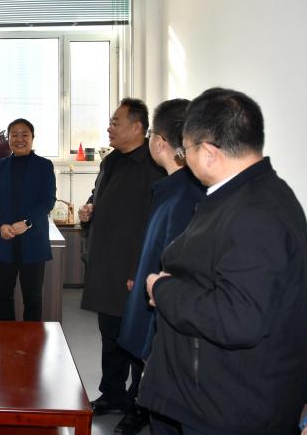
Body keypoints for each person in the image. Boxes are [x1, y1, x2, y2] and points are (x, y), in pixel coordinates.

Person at [139, 88, 307, 435]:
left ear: (208, 153)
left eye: (185, 150)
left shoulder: (257, 213)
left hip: (226, 409)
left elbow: (237, 319)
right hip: (202, 393)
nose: (184, 159)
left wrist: (162, 289)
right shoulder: (241, 194)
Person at [115, 99, 205, 435]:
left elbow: (176, 268)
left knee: (165, 414)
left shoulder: (185, 197)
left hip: (164, 323)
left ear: (160, 142)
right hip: (151, 298)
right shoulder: (171, 189)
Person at [78, 98, 165, 432]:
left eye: (116, 122)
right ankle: (112, 393)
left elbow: (156, 225)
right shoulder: (111, 161)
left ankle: (140, 405)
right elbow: (97, 195)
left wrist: (140, 271)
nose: (109, 127)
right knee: (111, 335)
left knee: (138, 340)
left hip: (135, 271)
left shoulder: (153, 167)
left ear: (137, 127)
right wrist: (89, 209)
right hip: (106, 265)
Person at [0, 118, 56, 321]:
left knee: (32, 298)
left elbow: (48, 200)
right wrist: (1, 224)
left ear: (33, 138)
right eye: (14, 135)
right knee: (3, 295)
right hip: (5, 239)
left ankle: (31, 340)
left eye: (24, 134)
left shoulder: (44, 166)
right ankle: (6, 337)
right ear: (8, 139)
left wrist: (27, 222)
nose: (19, 139)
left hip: (33, 239)